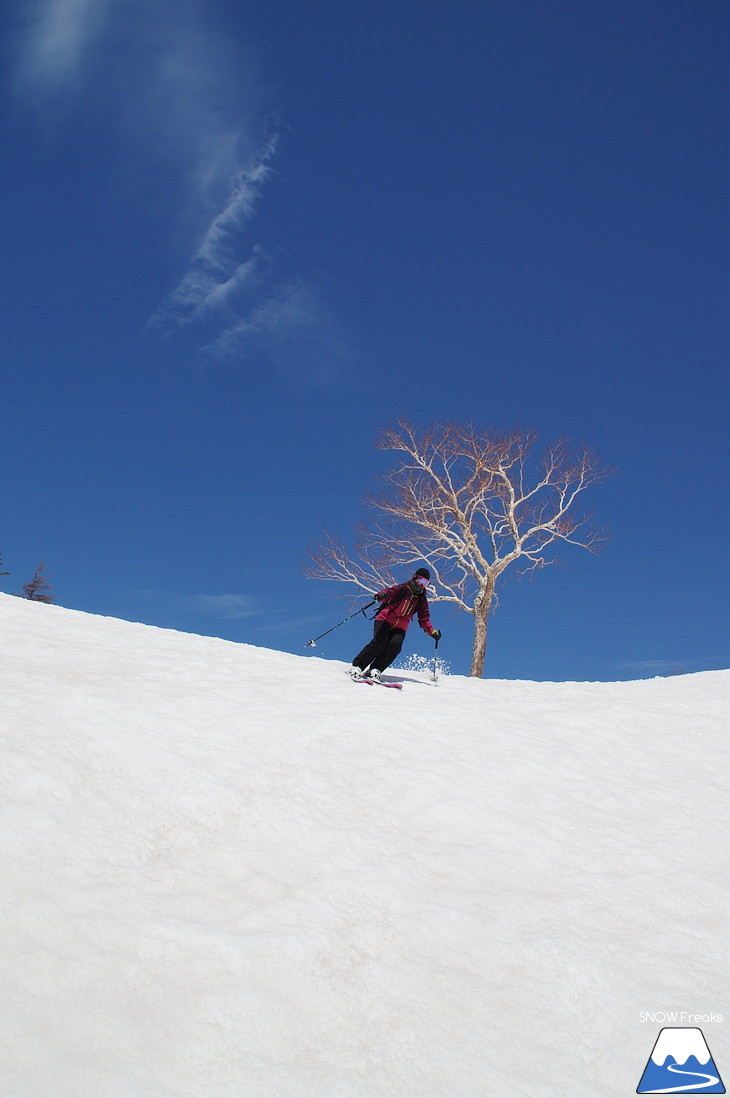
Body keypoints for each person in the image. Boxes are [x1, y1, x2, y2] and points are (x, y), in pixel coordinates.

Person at [348, 567, 441, 681]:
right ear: (414, 578)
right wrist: (381, 596)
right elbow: (389, 592)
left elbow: (424, 619)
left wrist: (432, 632)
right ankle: (358, 666)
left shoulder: (422, 600)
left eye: (425, 583)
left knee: (395, 646)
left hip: (401, 626)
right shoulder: (403, 588)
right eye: (420, 581)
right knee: (380, 642)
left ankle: (375, 669)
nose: (421, 585)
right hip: (385, 618)